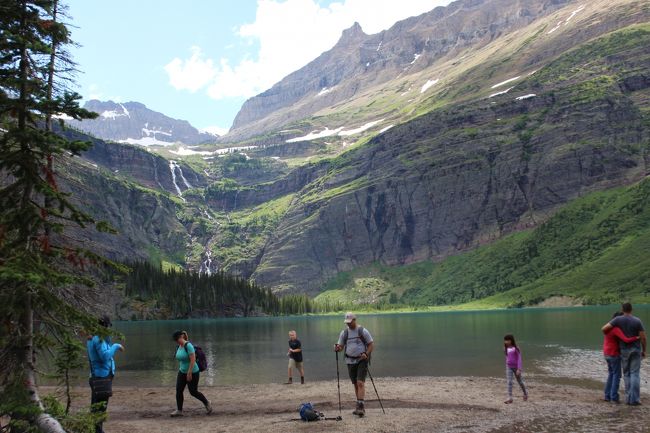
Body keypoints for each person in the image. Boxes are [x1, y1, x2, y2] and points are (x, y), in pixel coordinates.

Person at [602, 303, 647, 405]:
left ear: (622, 309)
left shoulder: (617, 321)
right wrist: (644, 350)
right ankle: (634, 399)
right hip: (635, 350)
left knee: (626, 374)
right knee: (634, 374)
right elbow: (643, 338)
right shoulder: (637, 320)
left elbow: (604, 329)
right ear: (632, 309)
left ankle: (627, 398)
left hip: (622, 351)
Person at [87, 315, 124, 433]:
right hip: (101, 377)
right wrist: (116, 346)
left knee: (96, 406)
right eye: (108, 326)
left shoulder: (94, 337)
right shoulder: (98, 339)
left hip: (96, 376)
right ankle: (98, 431)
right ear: (105, 326)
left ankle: (95, 430)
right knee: (100, 408)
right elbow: (105, 356)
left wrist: (108, 338)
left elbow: (103, 349)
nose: (109, 329)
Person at [334, 312, 374, 417]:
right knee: (355, 384)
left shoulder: (362, 331)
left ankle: (361, 407)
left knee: (360, 382)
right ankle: (358, 405)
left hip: (362, 359)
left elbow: (371, 344)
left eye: (350, 322)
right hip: (349, 360)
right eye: (346, 322)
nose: (348, 324)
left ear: (355, 320)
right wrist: (337, 348)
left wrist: (366, 353)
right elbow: (341, 346)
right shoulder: (344, 333)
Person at [170, 330, 212, 417]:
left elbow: (193, 360)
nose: (177, 342)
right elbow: (181, 359)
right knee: (179, 390)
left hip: (193, 371)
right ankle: (179, 410)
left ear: (181, 337)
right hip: (182, 371)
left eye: (178, 339)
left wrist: (189, 373)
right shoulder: (179, 347)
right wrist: (183, 369)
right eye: (176, 341)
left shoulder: (188, 346)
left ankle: (207, 403)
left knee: (193, 392)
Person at [503, 334, 528, 404]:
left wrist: (519, 369)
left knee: (520, 382)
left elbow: (519, 359)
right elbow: (507, 357)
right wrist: (507, 363)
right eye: (505, 340)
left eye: (507, 340)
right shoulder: (505, 348)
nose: (506, 342)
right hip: (509, 367)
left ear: (511, 340)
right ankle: (510, 398)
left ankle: (525, 393)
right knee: (509, 382)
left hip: (516, 367)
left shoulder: (516, 348)